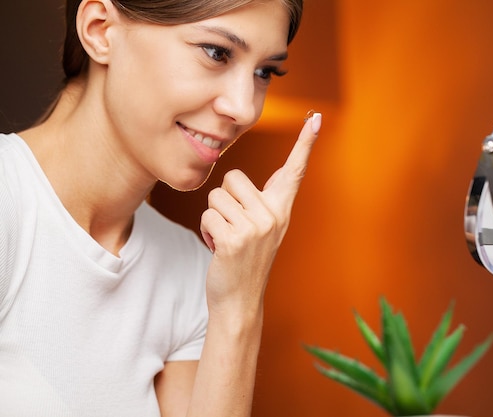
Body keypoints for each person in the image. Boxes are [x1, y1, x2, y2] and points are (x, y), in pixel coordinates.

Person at [0, 0, 321, 416]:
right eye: (216, 52)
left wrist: (239, 304)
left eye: (265, 72)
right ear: (100, 30)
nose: (244, 109)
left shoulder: (191, 272)